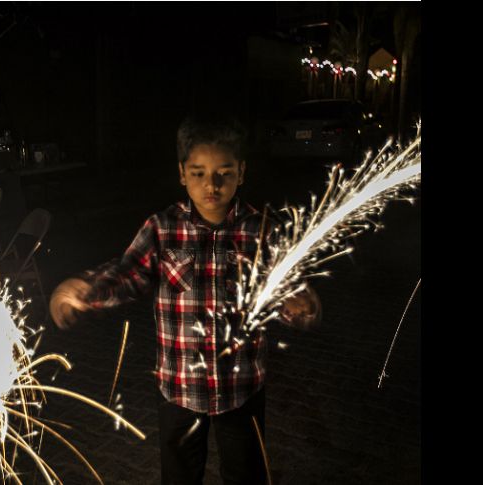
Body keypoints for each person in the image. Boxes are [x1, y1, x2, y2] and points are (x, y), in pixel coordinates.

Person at [49, 115, 321, 485]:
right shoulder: (162, 229)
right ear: (182, 173)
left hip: (241, 386)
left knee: (246, 474)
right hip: (179, 387)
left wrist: (302, 307)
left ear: (241, 172)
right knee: (179, 475)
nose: (212, 184)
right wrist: (87, 288)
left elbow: (284, 291)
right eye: (198, 173)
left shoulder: (261, 231)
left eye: (224, 172)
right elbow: (129, 273)